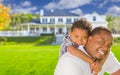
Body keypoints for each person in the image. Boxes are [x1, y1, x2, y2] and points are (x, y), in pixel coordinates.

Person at [54, 26, 120, 75]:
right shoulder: (70, 60)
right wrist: (93, 62)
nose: (106, 48)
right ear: (89, 38)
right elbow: (71, 49)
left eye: (109, 45)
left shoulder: (104, 53)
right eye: (101, 42)